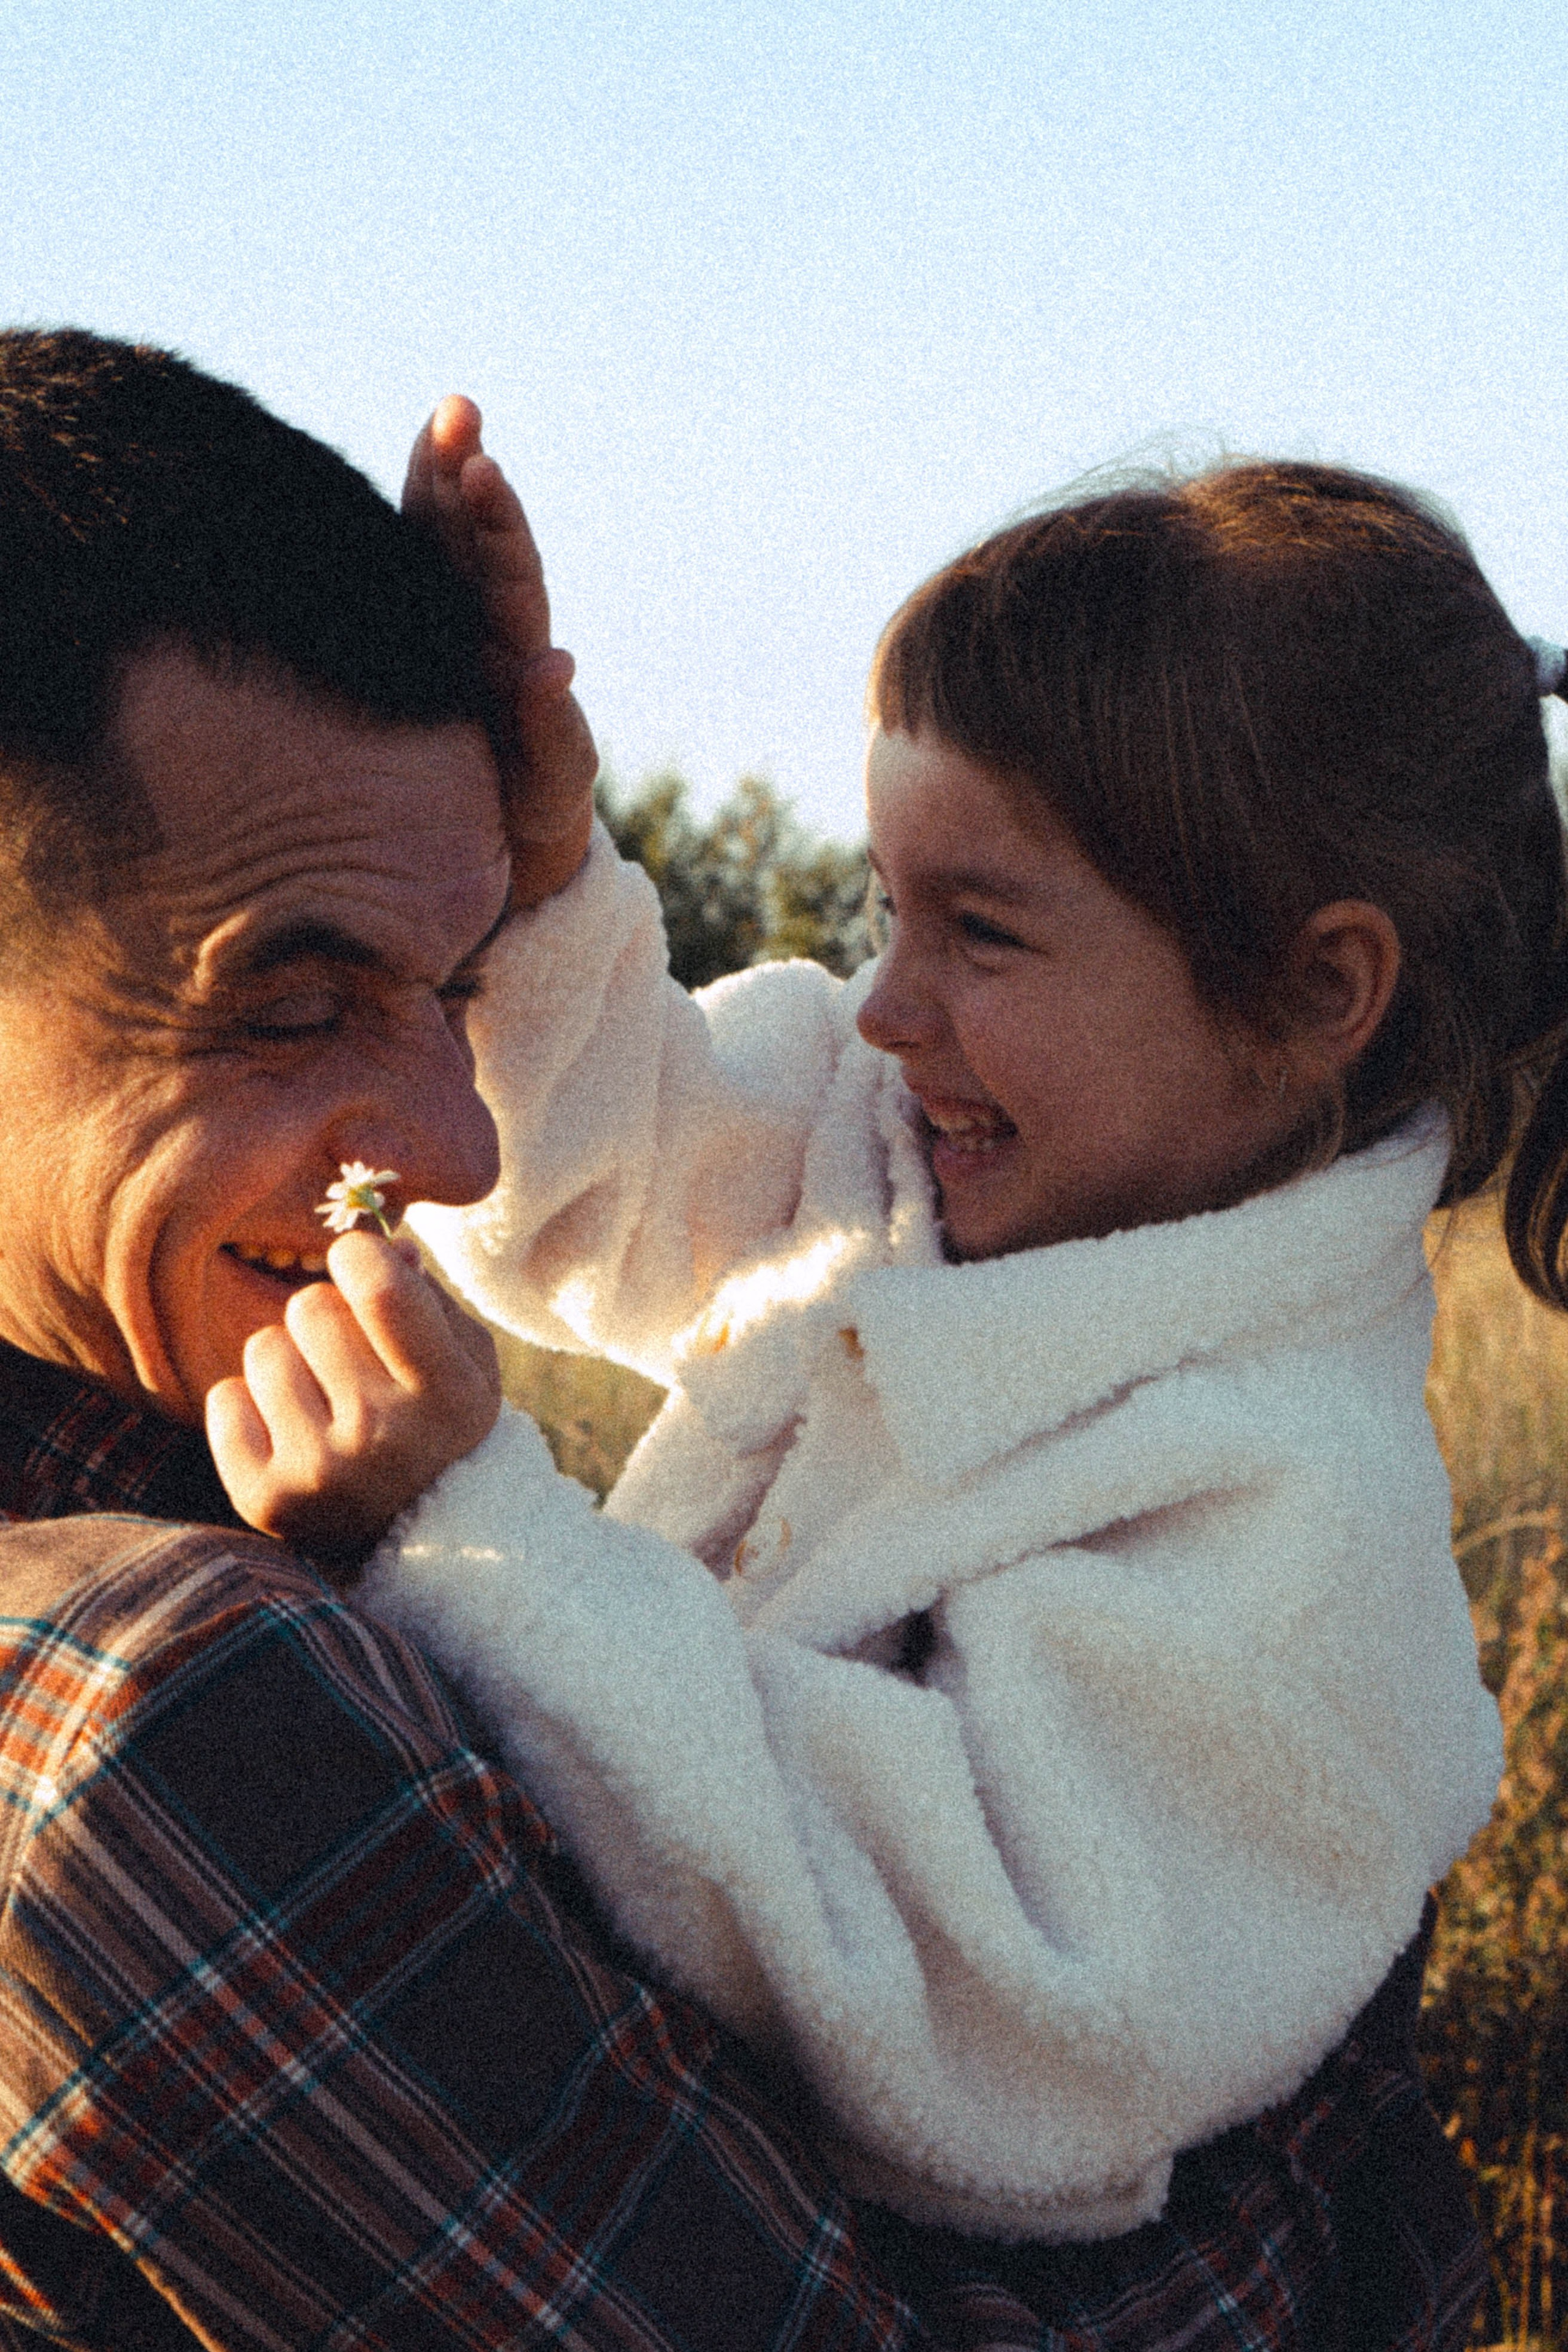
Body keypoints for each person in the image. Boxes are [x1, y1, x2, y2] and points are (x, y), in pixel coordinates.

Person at [0, 326, 1484, 2351]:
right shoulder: (893, 1142)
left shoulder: (1290, 1503)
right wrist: (544, 891)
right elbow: (596, 1174)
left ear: (1314, 997)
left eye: (985, 930)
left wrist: (475, 1548)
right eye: (886, 913)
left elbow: (1017, 2028)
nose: (883, 1003)